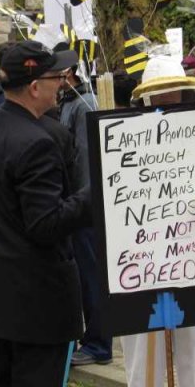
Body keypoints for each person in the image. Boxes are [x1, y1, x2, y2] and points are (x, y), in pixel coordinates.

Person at [0, 40, 90, 385]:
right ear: (34, 87)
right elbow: (45, 224)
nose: (62, 84)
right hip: (36, 304)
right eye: (57, 77)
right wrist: (95, 196)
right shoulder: (37, 141)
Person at [121, 54, 195, 387]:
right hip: (140, 265)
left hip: (194, 258)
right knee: (145, 361)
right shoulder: (122, 138)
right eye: (160, 95)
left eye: (174, 93)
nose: (167, 101)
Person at [57, 49, 112, 367]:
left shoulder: (85, 103)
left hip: (86, 208)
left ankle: (99, 342)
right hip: (79, 204)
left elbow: (85, 160)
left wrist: (80, 204)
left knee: (92, 275)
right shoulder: (71, 103)